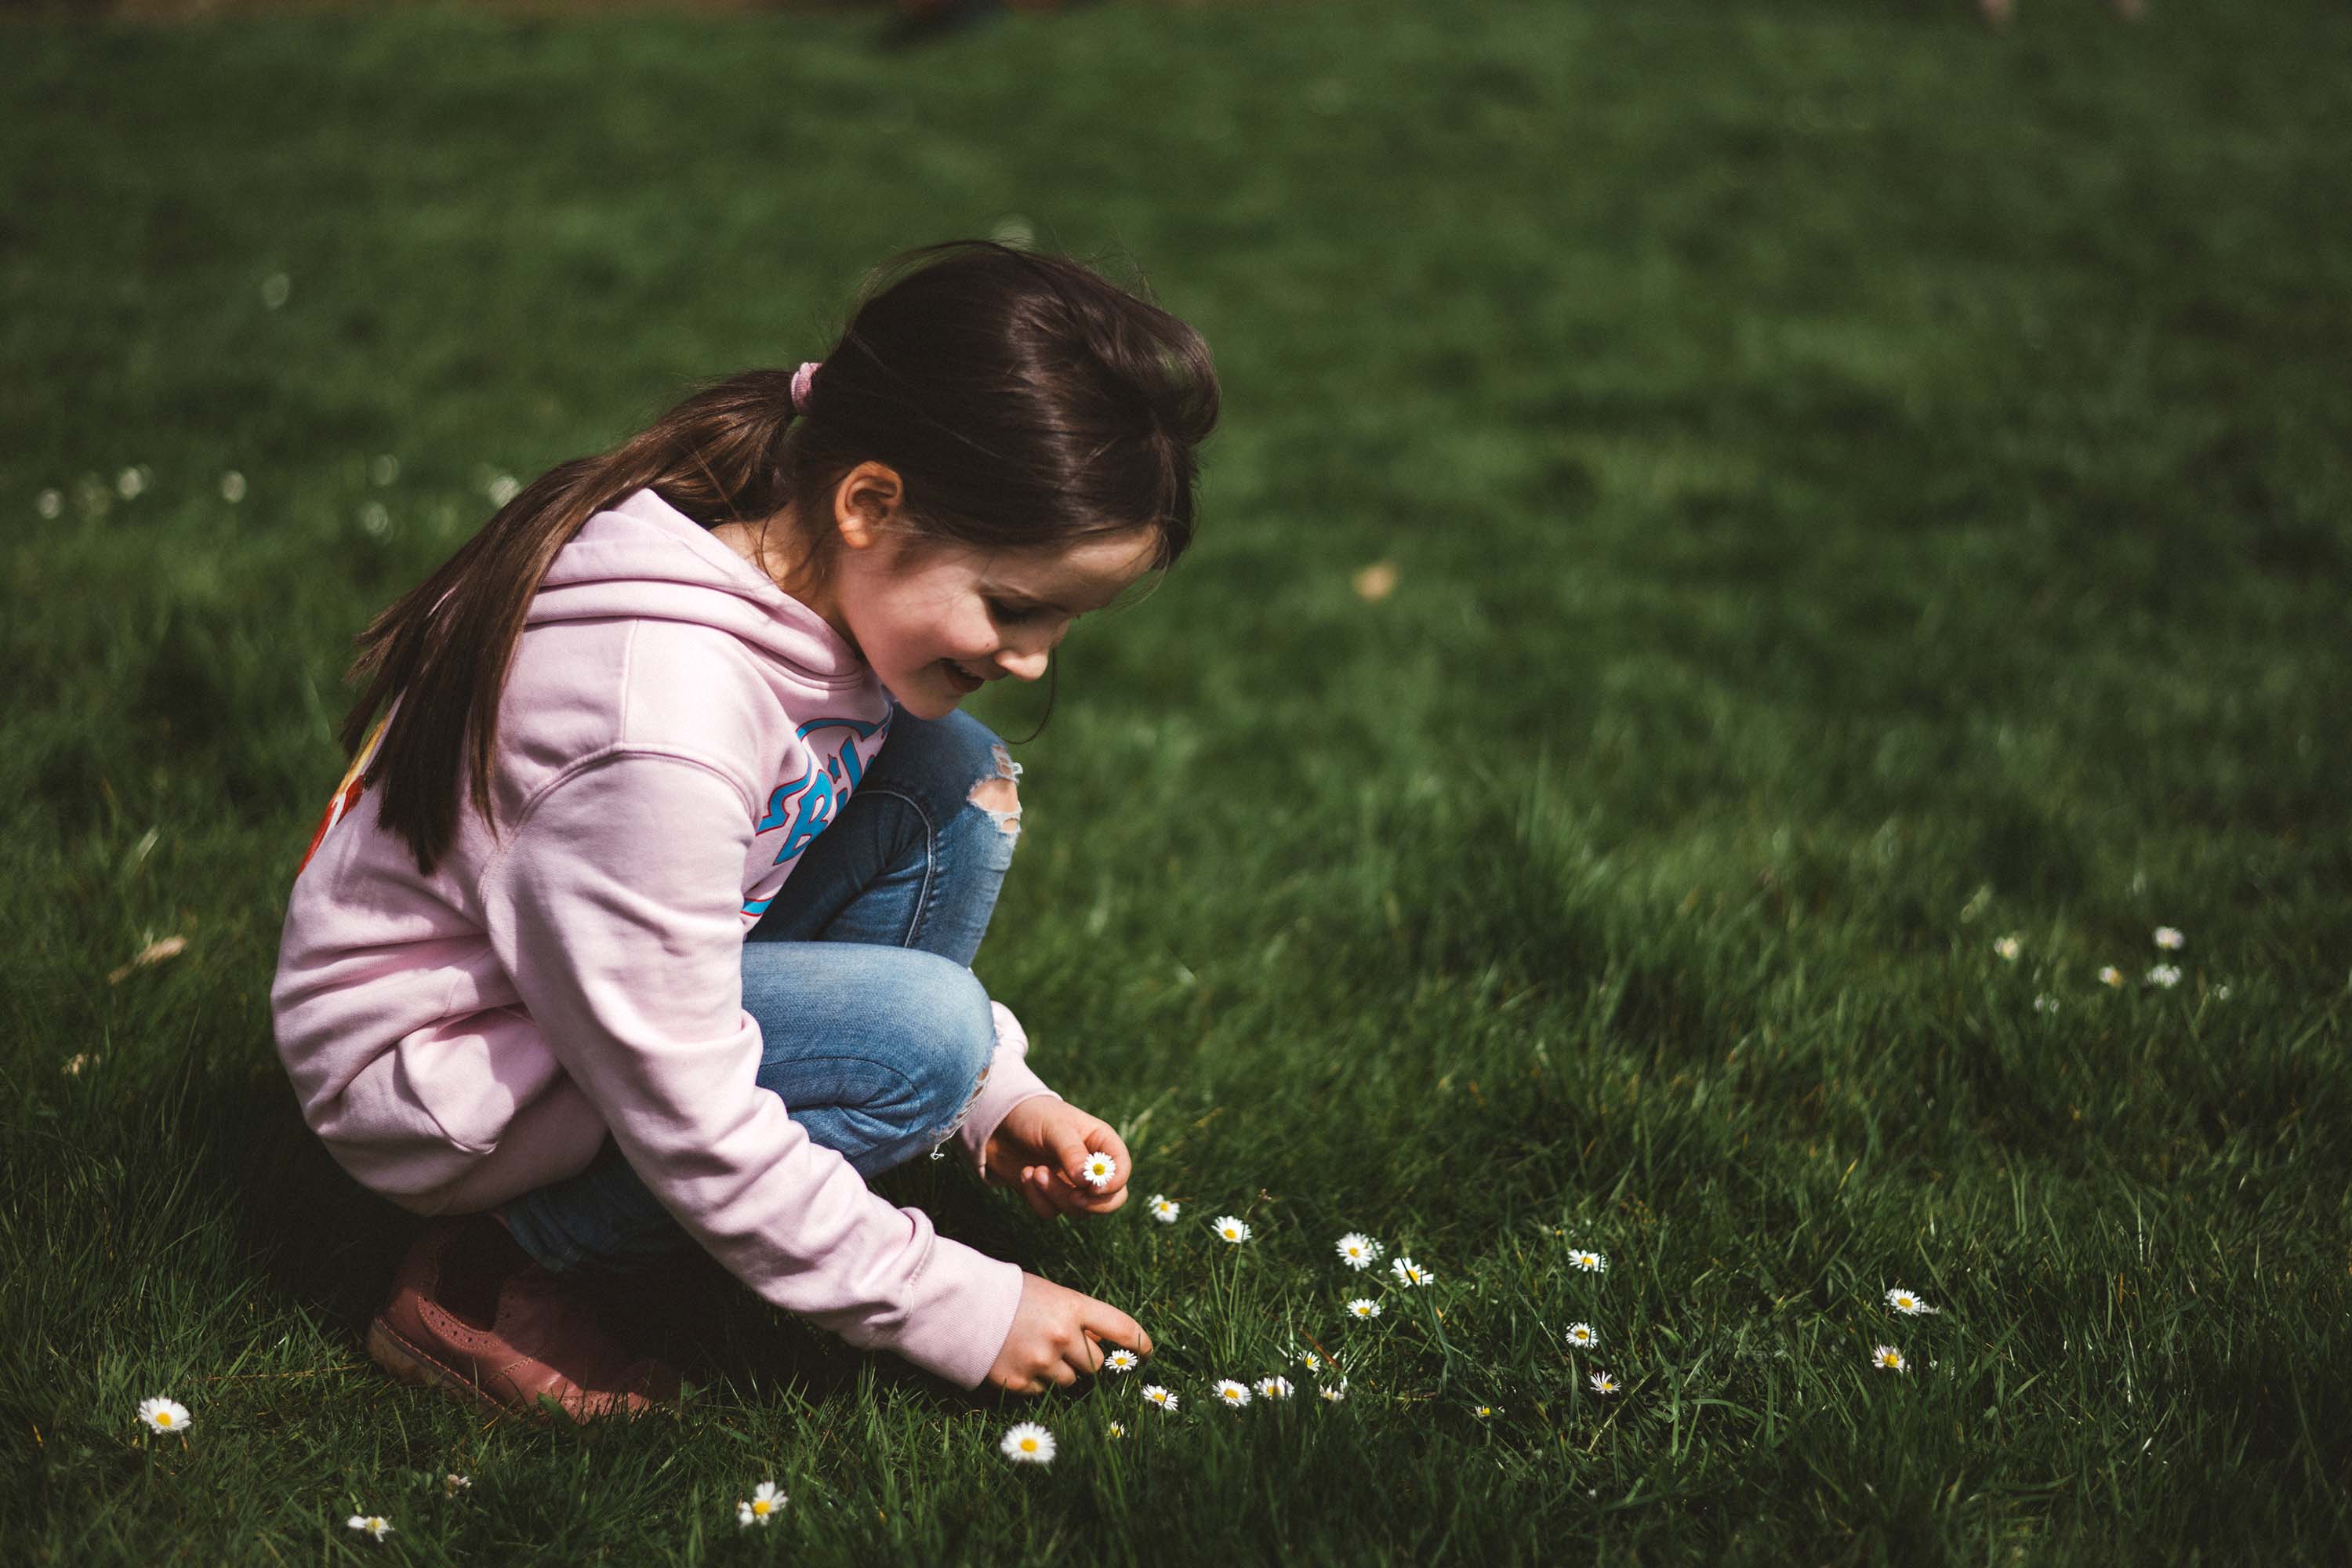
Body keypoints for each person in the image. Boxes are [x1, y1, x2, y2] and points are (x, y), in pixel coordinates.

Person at [270, 240, 1219, 1419]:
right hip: (452, 1082)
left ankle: (837, 1154)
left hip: (567, 1002)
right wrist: (951, 1302)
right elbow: (685, 1091)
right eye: (1014, 607)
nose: (1031, 659)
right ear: (868, 504)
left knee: (949, 779)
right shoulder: (658, 724)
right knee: (921, 1036)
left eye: (1062, 623)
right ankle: (493, 1268)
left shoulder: (801, 586)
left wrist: (993, 1097)